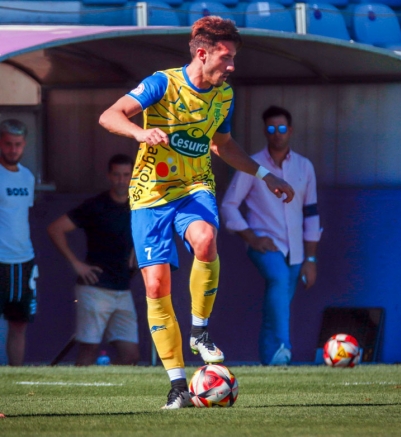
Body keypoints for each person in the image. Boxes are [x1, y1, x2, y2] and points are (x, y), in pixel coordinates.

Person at [99, 16, 294, 409]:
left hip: (194, 186)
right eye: (226, 58)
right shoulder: (163, 83)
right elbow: (110, 116)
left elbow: (221, 145)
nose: (232, 66)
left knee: (205, 240)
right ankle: (176, 385)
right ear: (203, 54)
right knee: (156, 287)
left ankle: (199, 332)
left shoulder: (224, 95)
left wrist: (264, 174)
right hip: (149, 192)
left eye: (234, 58)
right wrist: (140, 133)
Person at [221, 105, 321, 366]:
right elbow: (229, 205)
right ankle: (284, 349)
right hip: (265, 244)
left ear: (291, 130)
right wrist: (251, 238)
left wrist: (311, 261)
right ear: (265, 131)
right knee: (277, 280)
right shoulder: (252, 165)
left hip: (296, 250)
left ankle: (271, 359)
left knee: (279, 303)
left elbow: (311, 213)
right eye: (271, 129)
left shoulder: (304, 166)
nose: (277, 134)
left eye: (282, 128)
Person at [47, 154, 140, 366]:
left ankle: (113, 395)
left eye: (126, 175)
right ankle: (78, 396)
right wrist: (75, 263)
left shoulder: (138, 205)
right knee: (88, 349)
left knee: (131, 355)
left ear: (133, 176)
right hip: (94, 288)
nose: (121, 180)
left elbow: (147, 232)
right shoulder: (95, 206)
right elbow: (55, 228)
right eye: (116, 175)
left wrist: (137, 251)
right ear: (109, 176)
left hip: (123, 289)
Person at [0, 119, 37, 366]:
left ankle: (16, 375)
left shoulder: (27, 177)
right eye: (8, 144)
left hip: (23, 260)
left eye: (18, 144)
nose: (13, 149)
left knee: (19, 322)